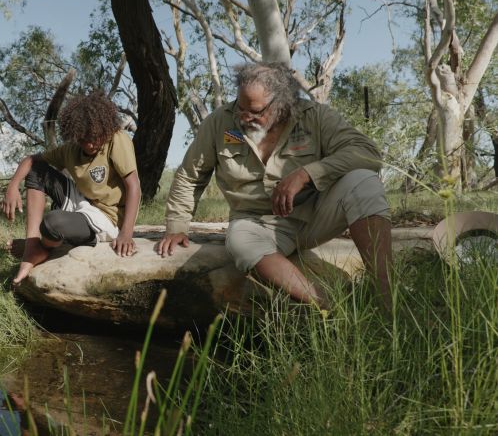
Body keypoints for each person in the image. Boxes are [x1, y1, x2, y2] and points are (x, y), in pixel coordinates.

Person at [157, 62, 392, 310]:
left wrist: (306, 174)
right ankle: (331, 308)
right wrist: (176, 226)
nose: (245, 117)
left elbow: (367, 153)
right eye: (241, 107)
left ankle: (387, 298)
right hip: (256, 224)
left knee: (364, 183)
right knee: (239, 241)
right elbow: (190, 175)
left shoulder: (315, 116)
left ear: (282, 103)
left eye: (256, 111)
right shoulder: (220, 123)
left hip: (315, 217)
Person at [3, 91, 141, 284]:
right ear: (75, 135)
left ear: (104, 127)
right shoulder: (71, 149)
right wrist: (13, 185)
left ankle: (45, 246)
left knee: (52, 223)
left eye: (95, 137)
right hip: (82, 201)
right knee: (37, 170)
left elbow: (134, 186)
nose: (91, 143)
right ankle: (32, 246)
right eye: (84, 139)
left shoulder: (117, 139)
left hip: (106, 219)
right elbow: (31, 160)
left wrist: (126, 233)